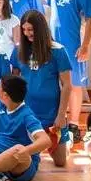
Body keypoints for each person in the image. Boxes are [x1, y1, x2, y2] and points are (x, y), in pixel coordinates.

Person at [10, 10, 72, 166]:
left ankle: (66, 144)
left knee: (60, 162)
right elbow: (14, 83)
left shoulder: (58, 50)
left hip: (51, 114)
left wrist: (61, 115)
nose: (27, 33)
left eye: (30, 29)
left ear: (41, 28)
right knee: (24, 159)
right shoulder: (18, 50)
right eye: (24, 30)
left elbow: (67, 85)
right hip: (28, 114)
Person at [49, 0, 91, 135]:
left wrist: (85, 46)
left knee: (75, 84)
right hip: (54, 44)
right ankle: (58, 119)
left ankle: (74, 124)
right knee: (56, 82)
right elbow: (49, 3)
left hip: (74, 44)